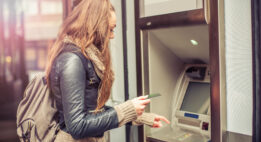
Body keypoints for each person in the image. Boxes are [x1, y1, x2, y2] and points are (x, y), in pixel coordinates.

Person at [45, 0, 170, 141]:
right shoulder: (73, 60)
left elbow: (92, 112)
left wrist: (138, 116)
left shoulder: (86, 57)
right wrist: (126, 109)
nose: (112, 36)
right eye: (110, 29)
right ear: (95, 26)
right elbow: (77, 126)